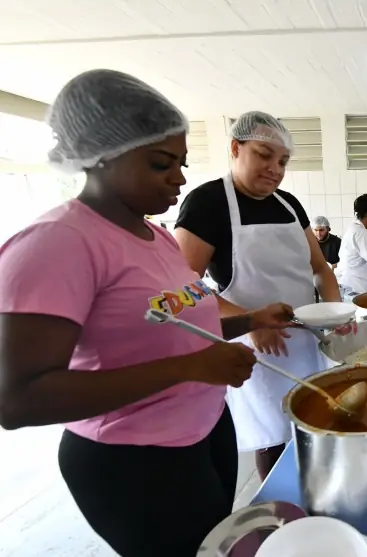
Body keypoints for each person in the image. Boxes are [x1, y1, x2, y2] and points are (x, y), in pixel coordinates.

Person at [0, 70, 297, 557]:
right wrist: (191, 368)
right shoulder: (57, 243)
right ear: (102, 156)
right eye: (161, 163)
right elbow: (17, 399)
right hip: (134, 462)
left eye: (181, 163)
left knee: (212, 546)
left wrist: (251, 320)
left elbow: (174, 328)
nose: (179, 178)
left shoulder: (154, 236)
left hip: (204, 429)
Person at [174, 111, 342, 481]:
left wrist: (335, 314)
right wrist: (250, 323)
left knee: (316, 424)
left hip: (308, 342)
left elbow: (320, 267)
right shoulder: (208, 203)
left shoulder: (289, 204)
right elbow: (183, 289)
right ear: (236, 148)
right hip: (258, 351)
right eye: (264, 155)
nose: (275, 169)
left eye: (283, 161)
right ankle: (279, 504)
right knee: (274, 437)